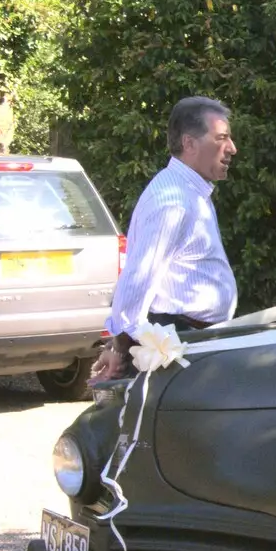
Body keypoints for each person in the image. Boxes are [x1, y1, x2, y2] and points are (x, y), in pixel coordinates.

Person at [90, 97, 240, 382]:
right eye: (221, 138)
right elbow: (136, 283)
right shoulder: (174, 202)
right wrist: (119, 348)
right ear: (189, 143)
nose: (232, 148)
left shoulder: (189, 190)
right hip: (176, 352)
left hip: (193, 344)